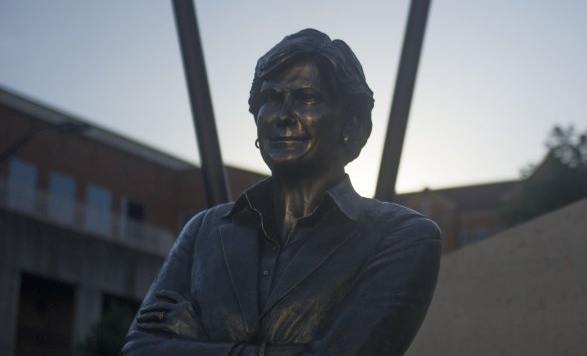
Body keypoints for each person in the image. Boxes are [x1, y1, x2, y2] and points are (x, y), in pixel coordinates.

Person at [123, 29, 442, 355]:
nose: (283, 116)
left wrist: (200, 342)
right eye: (271, 99)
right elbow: (138, 349)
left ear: (353, 125)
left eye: (307, 98)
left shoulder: (403, 237)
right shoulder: (204, 230)